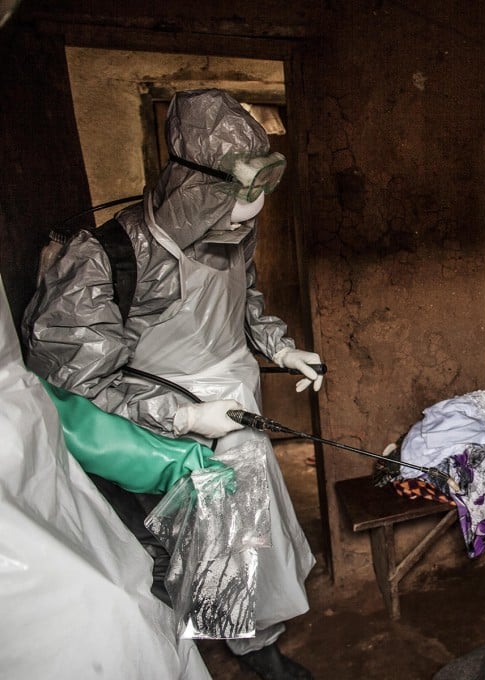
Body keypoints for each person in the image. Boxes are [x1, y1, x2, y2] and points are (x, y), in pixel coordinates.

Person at [21, 89, 318, 680]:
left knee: (253, 535)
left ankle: (260, 638)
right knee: (206, 544)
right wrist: (183, 419)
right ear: (193, 190)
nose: (240, 226)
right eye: (231, 212)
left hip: (234, 410)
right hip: (162, 428)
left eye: (250, 213)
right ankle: (254, 655)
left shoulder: (235, 233)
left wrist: (279, 347)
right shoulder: (105, 258)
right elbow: (84, 379)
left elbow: (244, 297)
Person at [0, 273, 212, 679]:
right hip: (34, 603)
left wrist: (171, 456)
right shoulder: (98, 263)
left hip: (70, 531)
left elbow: (35, 404)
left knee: (133, 617)